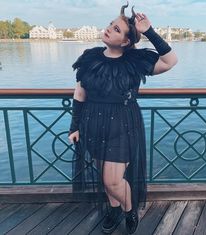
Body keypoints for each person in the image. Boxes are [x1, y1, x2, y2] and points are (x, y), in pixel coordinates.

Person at [68, 2, 177, 234]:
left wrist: (149, 31)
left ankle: (129, 210)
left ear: (126, 41)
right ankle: (114, 208)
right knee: (104, 173)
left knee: (112, 180)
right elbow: (80, 92)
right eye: (111, 25)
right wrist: (74, 126)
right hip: (93, 124)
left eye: (117, 29)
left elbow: (170, 61)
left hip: (123, 124)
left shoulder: (134, 61)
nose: (109, 29)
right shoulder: (90, 57)